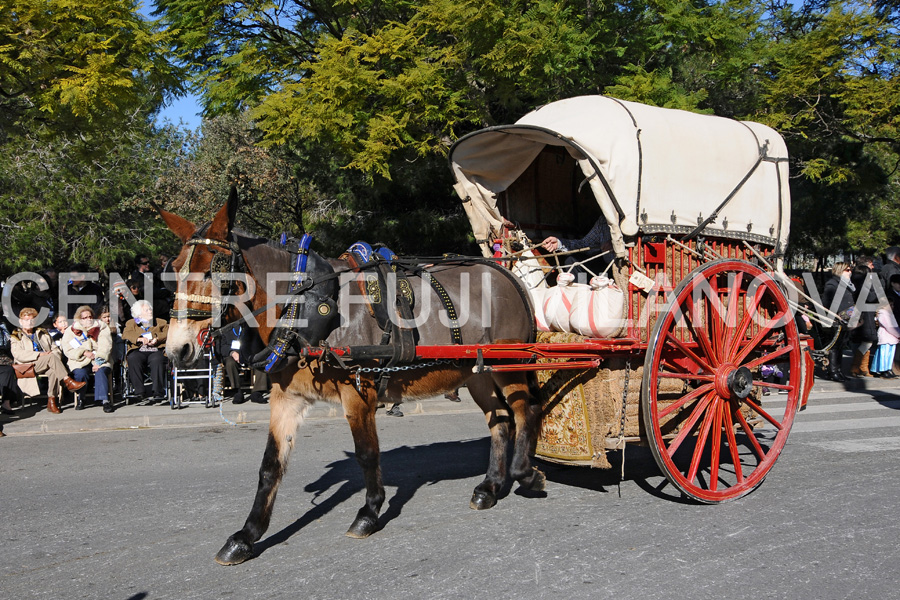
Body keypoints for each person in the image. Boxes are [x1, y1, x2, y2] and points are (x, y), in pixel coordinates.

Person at [10, 307, 86, 413]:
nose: (29, 322)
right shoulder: (16, 336)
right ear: (21, 321)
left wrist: (52, 355)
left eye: (31, 320)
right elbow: (18, 354)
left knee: (53, 370)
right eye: (26, 320)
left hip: (48, 363)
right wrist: (40, 355)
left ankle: (52, 401)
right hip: (28, 365)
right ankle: (67, 380)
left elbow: (55, 349)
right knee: (50, 358)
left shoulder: (43, 333)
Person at [63, 305, 114, 412]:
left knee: (101, 370)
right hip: (80, 359)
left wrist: (99, 361)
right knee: (80, 373)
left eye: (90, 317)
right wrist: (83, 352)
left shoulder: (102, 327)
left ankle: (105, 401)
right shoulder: (71, 330)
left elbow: (106, 346)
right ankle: (81, 398)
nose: (88, 319)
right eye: (85, 318)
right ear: (79, 319)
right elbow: (67, 349)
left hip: (99, 358)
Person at [122, 300, 168, 404]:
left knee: (157, 359)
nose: (150, 311)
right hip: (139, 349)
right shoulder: (131, 323)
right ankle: (139, 392)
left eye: (150, 309)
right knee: (133, 358)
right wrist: (139, 338)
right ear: (138, 313)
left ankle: (158, 391)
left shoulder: (161, 322)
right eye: (146, 310)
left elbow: (167, 333)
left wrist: (157, 338)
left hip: (155, 349)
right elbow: (126, 334)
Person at [541, 217, 613, 282]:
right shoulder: (603, 221)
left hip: (616, 267)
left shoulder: (624, 221)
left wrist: (616, 243)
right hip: (603, 265)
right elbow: (584, 244)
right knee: (572, 260)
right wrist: (559, 243)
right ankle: (582, 290)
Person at [214, 325, 269, 404]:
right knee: (230, 363)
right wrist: (232, 352)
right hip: (232, 355)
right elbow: (221, 347)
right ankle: (237, 391)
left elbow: (256, 342)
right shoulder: (225, 330)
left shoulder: (249, 328)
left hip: (248, 354)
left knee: (260, 361)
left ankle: (257, 391)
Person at [822, 262, 855, 382]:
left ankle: (839, 370)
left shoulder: (847, 285)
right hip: (836, 319)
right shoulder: (832, 284)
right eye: (847, 270)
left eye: (850, 270)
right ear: (840, 270)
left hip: (846, 319)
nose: (850, 272)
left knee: (841, 346)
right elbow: (826, 302)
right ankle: (833, 371)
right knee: (834, 347)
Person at [848, 257, 878, 378]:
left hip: (858, 312)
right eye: (871, 264)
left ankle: (862, 367)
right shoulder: (865, 282)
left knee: (860, 339)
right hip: (866, 313)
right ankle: (857, 366)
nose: (873, 267)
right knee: (867, 340)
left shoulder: (854, 279)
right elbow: (871, 297)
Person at [871, 298, 900, 379]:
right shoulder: (883, 313)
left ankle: (887, 369)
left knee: (889, 354)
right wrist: (898, 334)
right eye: (890, 305)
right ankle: (883, 370)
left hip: (891, 337)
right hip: (886, 336)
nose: (892, 306)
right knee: (884, 354)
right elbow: (889, 326)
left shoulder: (889, 313)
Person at [0, 320, 23, 415]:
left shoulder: (3, 326)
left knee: (8, 371)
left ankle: (6, 402)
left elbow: (8, 344)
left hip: (3, 359)